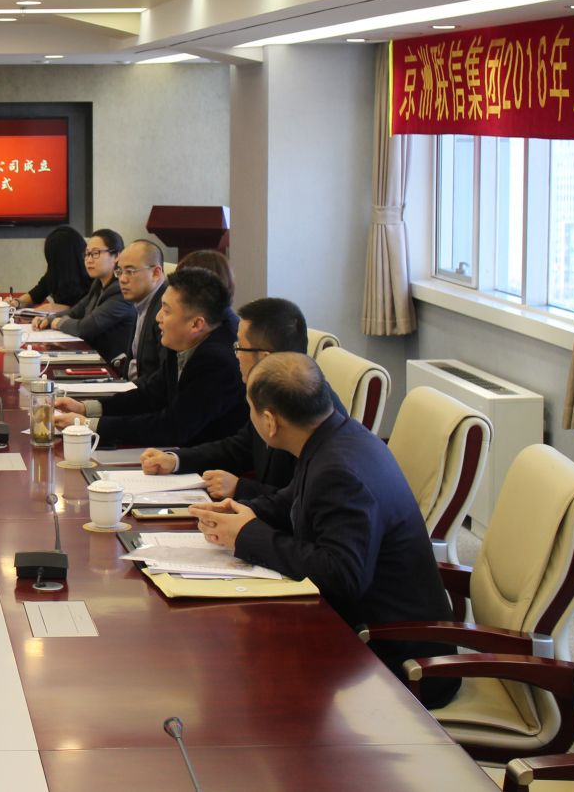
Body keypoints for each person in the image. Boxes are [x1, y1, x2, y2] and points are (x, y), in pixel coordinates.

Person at [192, 353, 458, 707]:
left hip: (397, 658)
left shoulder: (340, 470)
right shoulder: (335, 436)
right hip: (364, 630)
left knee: (239, 678)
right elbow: (294, 499)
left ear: (269, 421)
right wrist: (243, 512)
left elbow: (340, 574)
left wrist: (247, 535)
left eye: (251, 410)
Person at [139, 296, 345, 500]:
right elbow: (240, 447)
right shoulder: (270, 392)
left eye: (239, 347)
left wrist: (240, 488)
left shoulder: (308, 410)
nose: (235, 355)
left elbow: (302, 501)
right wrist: (175, 460)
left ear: (264, 358)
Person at [54, 267, 246, 449]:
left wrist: (89, 425)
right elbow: (151, 395)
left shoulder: (218, 362)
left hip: (208, 464)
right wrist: (86, 409)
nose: (158, 317)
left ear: (196, 324)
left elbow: (173, 427)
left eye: (167, 311)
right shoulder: (183, 338)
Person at [33, 227, 134, 364]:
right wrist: (49, 319)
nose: (88, 260)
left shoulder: (120, 291)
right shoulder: (98, 284)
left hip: (111, 365)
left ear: (117, 256)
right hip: (93, 356)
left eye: (95, 253)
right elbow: (75, 312)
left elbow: (84, 328)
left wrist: (58, 323)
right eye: (87, 254)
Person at [106, 239, 167, 385]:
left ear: (156, 273)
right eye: (120, 272)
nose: (122, 279)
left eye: (130, 271)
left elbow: (161, 378)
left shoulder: (165, 310)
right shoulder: (141, 301)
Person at [11, 225, 91, 314]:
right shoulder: (55, 274)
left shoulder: (92, 275)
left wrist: (65, 309)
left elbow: (95, 312)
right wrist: (17, 302)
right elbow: (34, 296)